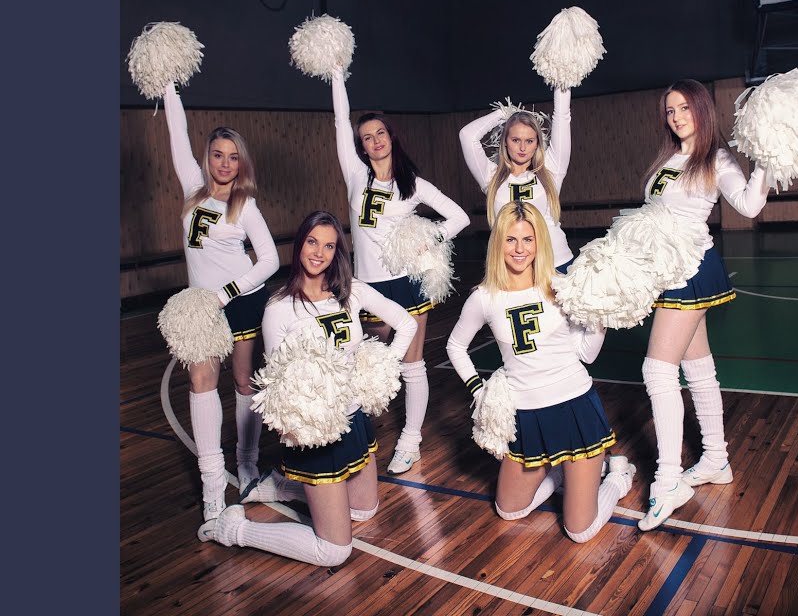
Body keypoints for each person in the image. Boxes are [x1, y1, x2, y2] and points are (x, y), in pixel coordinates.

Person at [200, 211, 418, 566]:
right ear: (299, 244)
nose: (319, 253)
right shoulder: (279, 309)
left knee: (364, 510)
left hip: (355, 422)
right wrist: (304, 424)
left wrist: (383, 367)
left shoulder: (351, 291)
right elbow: (279, 385)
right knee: (334, 551)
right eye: (312, 242)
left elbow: (406, 323)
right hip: (317, 434)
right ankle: (235, 529)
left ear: (337, 252)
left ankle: (280, 487)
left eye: (329, 246)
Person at [446, 202, 634, 543]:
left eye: (528, 239)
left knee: (579, 531)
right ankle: (560, 472)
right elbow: (455, 346)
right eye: (511, 239)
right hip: (526, 417)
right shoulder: (484, 298)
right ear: (498, 243)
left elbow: (587, 355)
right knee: (509, 510)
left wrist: (601, 315)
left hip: (574, 408)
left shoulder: (561, 287)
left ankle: (618, 477)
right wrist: (480, 391)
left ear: (539, 243)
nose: (519, 249)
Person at [636, 79, 770, 531]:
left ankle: (668, 481)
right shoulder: (669, 158)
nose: (676, 117)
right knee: (697, 367)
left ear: (702, 110)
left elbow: (748, 205)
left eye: (684, 108)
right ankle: (715, 459)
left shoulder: (716, 158)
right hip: (667, 268)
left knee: (657, 371)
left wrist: (766, 157)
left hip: (690, 266)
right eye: (670, 110)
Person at [330, 69, 469, 475]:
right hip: (365, 286)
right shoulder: (355, 174)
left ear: (391, 137)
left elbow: (459, 217)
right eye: (366, 137)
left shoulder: (413, 184)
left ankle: (410, 442)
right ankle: (356, 436)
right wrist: (337, 72)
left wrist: (428, 240)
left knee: (411, 365)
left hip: (406, 285)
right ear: (360, 146)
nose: (374, 141)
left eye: (380, 134)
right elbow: (339, 121)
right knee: (364, 360)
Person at [163, 82, 281, 522]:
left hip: (239, 300)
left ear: (241, 163)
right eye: (218, 155)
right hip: (200, 307)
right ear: (207, 158)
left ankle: (247, 465)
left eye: (233, 157)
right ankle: (213, 487)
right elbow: (177, 133)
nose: (225, 163)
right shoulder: (192, 188)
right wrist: (168, 83)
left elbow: (270, 260)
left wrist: (226, 294)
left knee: (244, 383)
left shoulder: (245, 204)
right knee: (201, 383)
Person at [457, 87, 576, 272]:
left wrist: (562, 77)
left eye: (529, 141)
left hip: (556, 263)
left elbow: (562, 116)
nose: (522, 148)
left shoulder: (552, 169)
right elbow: (467, 136)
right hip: (511, 269)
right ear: (505, 141)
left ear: (537, 143)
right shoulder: (490, 176)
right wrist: (504, 113)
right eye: (515, 140)